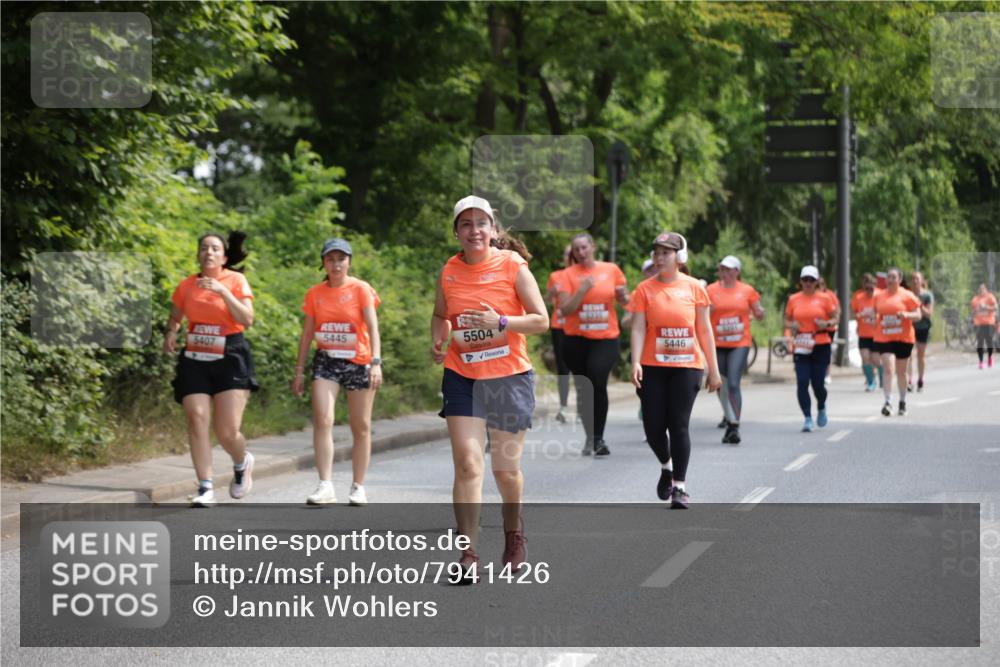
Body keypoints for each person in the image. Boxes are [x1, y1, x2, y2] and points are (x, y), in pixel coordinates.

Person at [430, 195, 548, 581]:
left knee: (505, 471)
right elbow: (440, 314)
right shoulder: (448, 271)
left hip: (508, 377)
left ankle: (514, 534)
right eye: (466, 224)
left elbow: (540, 320)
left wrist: (500, 322)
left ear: (493, 230)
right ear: (457, 232)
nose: (474, 230)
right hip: (462, 374)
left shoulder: (513, 266)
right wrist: (438, 337)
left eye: (482, 222)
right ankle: (468, 555)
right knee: (467, 463)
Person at [164, 231, 258, 507]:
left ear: (224, 257)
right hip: (196, 354)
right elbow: (175, 315)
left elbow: (247, 319)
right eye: (204, 248)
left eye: (215, 248)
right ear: (198, 255)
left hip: (230, 353)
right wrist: (171, 331)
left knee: (227, 431)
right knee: (196, 418)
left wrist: (222, 290)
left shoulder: (236, 280)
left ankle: (241, 462)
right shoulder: (187, 286)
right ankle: (205, 486)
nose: (209, 252)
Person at [630, 232, 722, 509]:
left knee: (678, 425)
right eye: (656, 253)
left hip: (686, 366)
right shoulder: (644, 290)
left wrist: (713, 369)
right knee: (653, 426)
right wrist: (635, 361)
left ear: (679, 258)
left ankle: (680, 487)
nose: (659, 258)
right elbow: (637, 327)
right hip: (653, 366)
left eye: (666, 253)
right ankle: (666, 466)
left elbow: (704, 330)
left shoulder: (695, 288)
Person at [291, 238, 382, 506]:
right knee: (323, 418)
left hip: (359, 360)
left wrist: (376, 362)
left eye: (341, 258)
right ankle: (325, 484)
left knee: (361, 426)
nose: (336, 264)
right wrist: (299, 370)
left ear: (349, 262)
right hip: (326, 360)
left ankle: (358, 486)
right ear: (323, 263)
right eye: (330, 259)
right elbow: (307, 334)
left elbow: (373, 328)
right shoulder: (315, 294)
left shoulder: (361, 289)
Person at [557, 233, 629, 456]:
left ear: (593, 247)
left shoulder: (611, 270)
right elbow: (565, 309)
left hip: (605, 338)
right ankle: (590, 437)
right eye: (576, 249)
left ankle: (599, 437)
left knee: (597, 378)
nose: (580, 252)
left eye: (584, 247)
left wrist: (624, 297)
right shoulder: (567, 275)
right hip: (575, 340)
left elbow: (625, 301)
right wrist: (582, 290)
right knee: (584, 388)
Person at [706, 255, 764, 445]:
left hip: (740, 343)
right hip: (717, 344)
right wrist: (708, 310)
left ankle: (734, 425)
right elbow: (702, 314)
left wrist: (760, 312)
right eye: (722, 269)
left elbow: (758, 312)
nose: (725, 273)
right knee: (720, 384)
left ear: (737, 272)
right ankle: (730, 419)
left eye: (729, 270)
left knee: (733, 383)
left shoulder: (747, 291)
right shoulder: (711, 290)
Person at [784, 265, 840, 432]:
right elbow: (786, 320)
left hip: (820, 343)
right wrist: (791, 324)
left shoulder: (825, 298)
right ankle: (807, 417)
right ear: (800, 281)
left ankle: (821, 406)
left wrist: (827, 323)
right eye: (805, 280)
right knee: (802, 382)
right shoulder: (793, 299)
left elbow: (836, 317)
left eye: (811, 280)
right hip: (801, 343)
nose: (808, 283)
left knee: (818, 384)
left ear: (816, 282)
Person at [873, 267, 922, 416]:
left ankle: (902, 401)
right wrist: (873, 320)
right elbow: (876, 314)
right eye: (889, 277)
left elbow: (918, 315)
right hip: (885, 336)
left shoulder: (907, 296)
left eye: (894, 277)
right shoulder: (879, 296)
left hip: (904, 338)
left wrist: (906, 314)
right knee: (888, 368)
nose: (891, 279)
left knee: (901, 372)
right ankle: (888, 402)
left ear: (900, 280)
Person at [545, 245, 574, 424]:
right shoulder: (555, 276)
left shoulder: (582, 275)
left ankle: (583, 406)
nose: (569, 256)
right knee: (562, 367)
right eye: (566, 253)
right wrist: (552, 293)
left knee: (581, 368)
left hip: (580, 328)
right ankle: (563, 407)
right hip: (559, 326)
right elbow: (547, 300)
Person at [851, 273, 882, 392]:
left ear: (875, 286)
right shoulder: (859, 297)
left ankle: (882, 375)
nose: (869, 291)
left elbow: (884, 311)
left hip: (876, 333)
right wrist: (858, 315)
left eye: (871, 289)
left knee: (876, 360)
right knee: (865, 358)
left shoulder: (880, 296)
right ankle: (871, 381)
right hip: (863, 333)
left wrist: (875, 315)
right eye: (867, 289)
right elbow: (853, 312)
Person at [908, 271, 934, 390]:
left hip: (923, 327)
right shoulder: (907, 295)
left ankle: (920, 379)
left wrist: (919, 305)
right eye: (913, 279)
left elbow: (929, 314)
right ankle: (909, 380)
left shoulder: (927, 296)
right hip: (910, 327)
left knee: (920, 355)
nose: (915, 281)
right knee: (909, 355)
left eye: (917, 279)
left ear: (921, 281)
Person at [971, 283, 998, 369]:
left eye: (983, 289)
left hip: (989, 322)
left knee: (989, 341)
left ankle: (990, 358)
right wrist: (977, 310)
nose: (982, 291)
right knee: (980, 343)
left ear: (985, 289)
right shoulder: (975, 299)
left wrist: (986, 307)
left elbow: (996, 307)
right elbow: (973, 312)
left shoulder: (990, 297)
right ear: (978, 290)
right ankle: (981, 361)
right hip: (979, 323)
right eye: (980, 289)